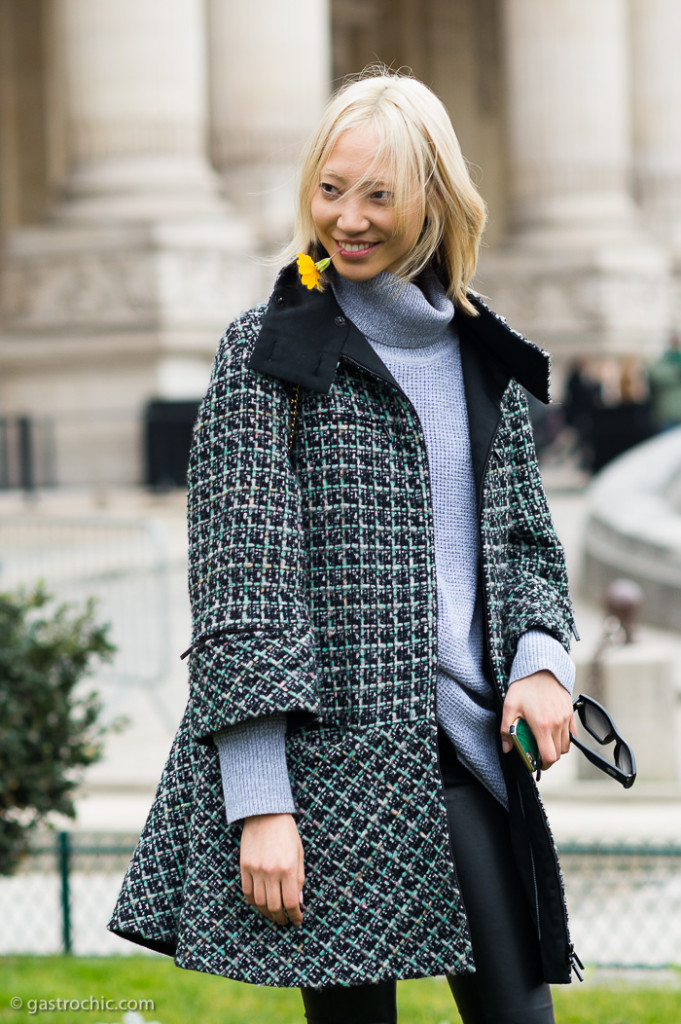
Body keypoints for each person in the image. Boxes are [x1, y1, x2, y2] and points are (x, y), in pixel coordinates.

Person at [109, 70, 581, 1024]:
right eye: (332, 190)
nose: (349, 219)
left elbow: (527, 540)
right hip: (322, 777)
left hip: (469, 755)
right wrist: (260, 801)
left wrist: (542, 662)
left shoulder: (482, 355)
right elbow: (242, 592)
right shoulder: (265, 356)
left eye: (379, 195)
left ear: (434, 200)